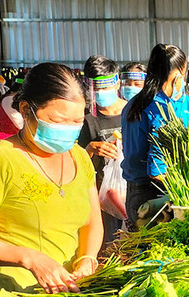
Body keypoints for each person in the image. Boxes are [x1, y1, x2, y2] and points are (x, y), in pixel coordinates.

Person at [0, 63, 103, 297]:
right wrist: (30, 259)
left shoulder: (79, 156)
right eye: (57, 120)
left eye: (77, 121)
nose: (68, 128)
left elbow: (92, 222)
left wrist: (87, 258)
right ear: (26, 110)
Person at [121, 44, 189, 229]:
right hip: (157, 195)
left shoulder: (134, 105)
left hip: (137, 192)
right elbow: (157, 170)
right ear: (178, 75)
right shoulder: (160, 111)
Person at [78, 55, 127, 245]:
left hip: (134, 190)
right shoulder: (85, 118)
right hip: (102, 197)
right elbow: (76, 159)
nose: (100, 93)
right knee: (107, 246)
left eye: (105, 87)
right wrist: (90, 149)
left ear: (117, 84)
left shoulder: (133, 111)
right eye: (95, 89)